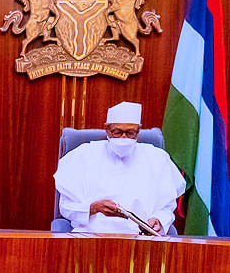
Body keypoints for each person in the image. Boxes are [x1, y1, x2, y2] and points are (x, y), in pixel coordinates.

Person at [55, 101, 186, 235]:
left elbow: (167, 206)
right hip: (90, 235)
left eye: (130, 133)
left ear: (138, 131)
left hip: (141, 238)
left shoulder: (157, 158)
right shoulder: (83, 155)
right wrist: (93, 208)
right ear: (107, 129)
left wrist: (158, 220)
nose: (124, 138)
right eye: (117, 132)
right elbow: (66, 206)